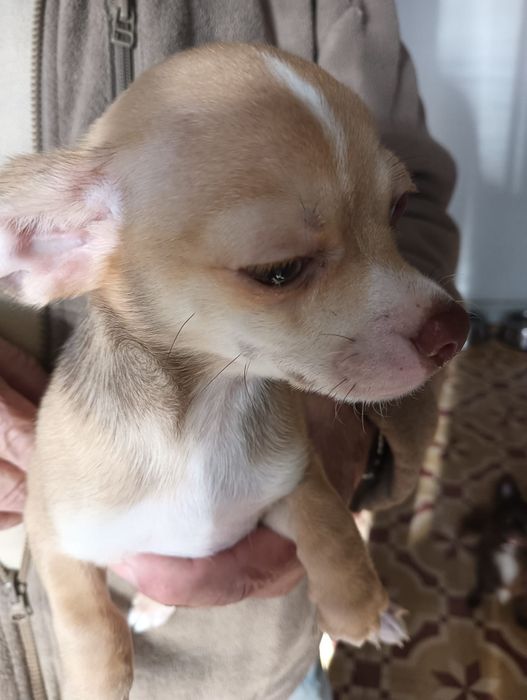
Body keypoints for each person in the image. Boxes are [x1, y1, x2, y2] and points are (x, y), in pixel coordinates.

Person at [0, 2, 460, 698]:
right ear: (52, 242)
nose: (431, 318)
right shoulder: (84, 221)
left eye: (385, 209)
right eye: (281, 269)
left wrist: (354, 447)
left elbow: (413, 181)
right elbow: (57, 531)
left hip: (264, 658)